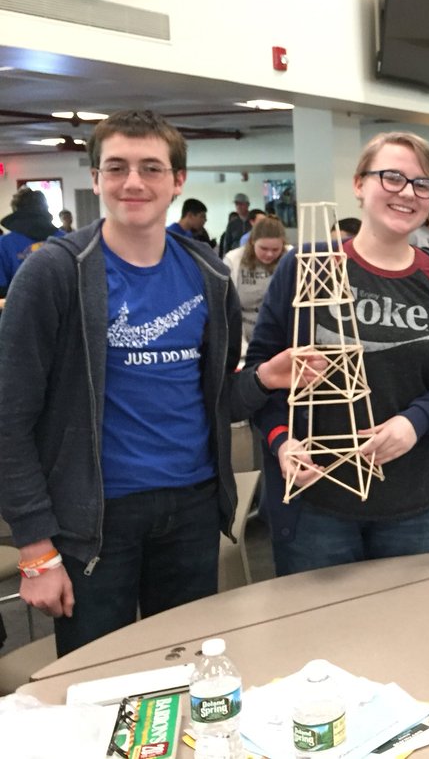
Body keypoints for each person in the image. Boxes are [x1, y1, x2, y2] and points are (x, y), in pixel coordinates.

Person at [0, 110, 312, 656]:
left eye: (151, 167)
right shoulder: (56, 273)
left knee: (187, 667)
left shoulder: (209, 274)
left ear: (177, 181)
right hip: (97, 517)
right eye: (116, 167)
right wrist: (35, 547)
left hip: (191, 508)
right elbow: (9, 417)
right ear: (96, 178)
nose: (134, 182)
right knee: (98, 680)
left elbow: (215, 402)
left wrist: (263, 378)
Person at [247, 132, 429, 575]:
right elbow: (262, 377)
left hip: (413, 506)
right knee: (317, 637)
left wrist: (415, 422)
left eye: (422, 184)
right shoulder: (306, 267)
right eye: (392, 177)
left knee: (406, 634)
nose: (407, 193)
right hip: (314, 505)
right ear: (359, 184)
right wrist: (282, 444)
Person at [223, 215, 288, 345]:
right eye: (263, 248)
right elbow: (226, 308)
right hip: (244, 336)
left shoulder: (291, 257)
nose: (269, 254)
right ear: (252, 242)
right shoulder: (233, 260)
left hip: (281, 335)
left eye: (276, 250)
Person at [0, 187, 59, 297]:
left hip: (19, 309)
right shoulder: (66, 239)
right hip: (62, 309)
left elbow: (1, 290)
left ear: (16, 210)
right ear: (46, 209)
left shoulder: (4, 244)